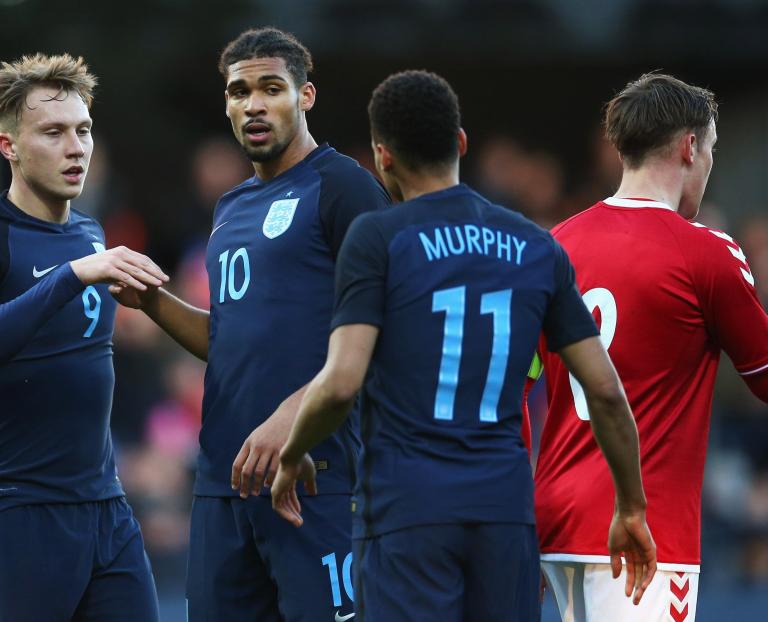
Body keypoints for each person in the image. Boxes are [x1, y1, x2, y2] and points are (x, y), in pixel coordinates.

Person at [270, 69, 657, 622]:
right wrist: (632, 505)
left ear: (382, 157)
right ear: (460, 144)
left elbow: (340, 383)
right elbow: (604, 390)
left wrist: (292, 453)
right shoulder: (534, 245)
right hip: (504, 513)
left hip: (407, 512)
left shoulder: (378, 238)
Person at [109, 28, 390, 621]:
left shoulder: (343, 187)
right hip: (223, 484)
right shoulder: (230, 207)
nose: (253, 104)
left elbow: (383, 325)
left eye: (271, 88)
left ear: (305, 96)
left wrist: (293, 417)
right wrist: (153, 301)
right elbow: (227, 341)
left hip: (317, 476)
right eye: (239, 92)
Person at [0, 53, 167, 621]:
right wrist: (73, 275)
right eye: (53, 132)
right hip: (15, 515)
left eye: (83, 130)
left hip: (104, 509)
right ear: (9, 146)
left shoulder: (91, 233)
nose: (75, 147)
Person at [534, 73, 768, 622]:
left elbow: (520, 386)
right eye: (710, 149)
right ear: (691, 146)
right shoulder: (706, 251)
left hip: (555, 526)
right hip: (645, 539)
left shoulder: (555, 244)